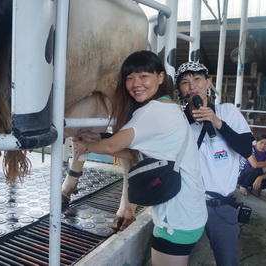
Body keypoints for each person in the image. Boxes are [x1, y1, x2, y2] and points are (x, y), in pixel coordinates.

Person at [74, 51, 207, 266]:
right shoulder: (168, 106)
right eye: (129, 78)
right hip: (189, 212)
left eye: (144, 76)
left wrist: (85, 146)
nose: (136, 83)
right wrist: (97, 137)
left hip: (176, 220)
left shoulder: (153, 110)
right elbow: (134, 153)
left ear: (160, 78)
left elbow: (112, 145)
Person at [175, 61, 255, 266]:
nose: (192, 86)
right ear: (180, 90)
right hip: (187, 206)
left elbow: (246, 149)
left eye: (197, 79)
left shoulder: (227, 111)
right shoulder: (177, 121)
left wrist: (218, 122)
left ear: (208, 83)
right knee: (176, 259)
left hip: (222, 206)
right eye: (185, 82)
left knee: (227, 261)